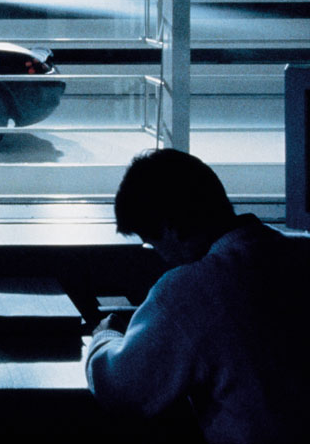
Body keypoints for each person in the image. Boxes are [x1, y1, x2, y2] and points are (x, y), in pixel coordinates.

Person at [86, 148, 310, 443]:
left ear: (171, 229)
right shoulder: (298, 255)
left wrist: (105, 337)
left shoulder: (189, 289)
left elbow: (121, 388)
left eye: (154, 244)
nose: (162, 258)